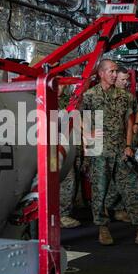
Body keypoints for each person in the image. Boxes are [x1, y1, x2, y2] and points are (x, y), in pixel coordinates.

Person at [82, 59, 138, 246]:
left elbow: (129, 122)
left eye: (116, 71)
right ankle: (103, 228)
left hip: (121, 151)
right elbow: (81, 119)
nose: (115, 75)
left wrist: (129, 145)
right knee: (99, 192)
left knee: (131, 190)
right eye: (112, 71)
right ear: (101, 73)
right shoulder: (90, 95)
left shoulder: (125, 96)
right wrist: (87, 133)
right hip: (99, 152)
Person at [112, 66, 138, 223]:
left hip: (127, 144)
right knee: (114, 178)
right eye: (122, 80)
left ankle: (121, 209)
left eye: (127, 80)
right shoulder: (105, 96)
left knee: (128, 175)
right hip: (112, 145)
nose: (125, 83)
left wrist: (136, 123)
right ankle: (112, 210)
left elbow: (136, 111)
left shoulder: (128, 96)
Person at [58, 84, 82, 228]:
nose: (60, 87)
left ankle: (63, 214)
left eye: (62, 84)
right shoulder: (36, 98)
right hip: (45, 147)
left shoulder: (69, 101)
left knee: (68, 178)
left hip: (65, 146)